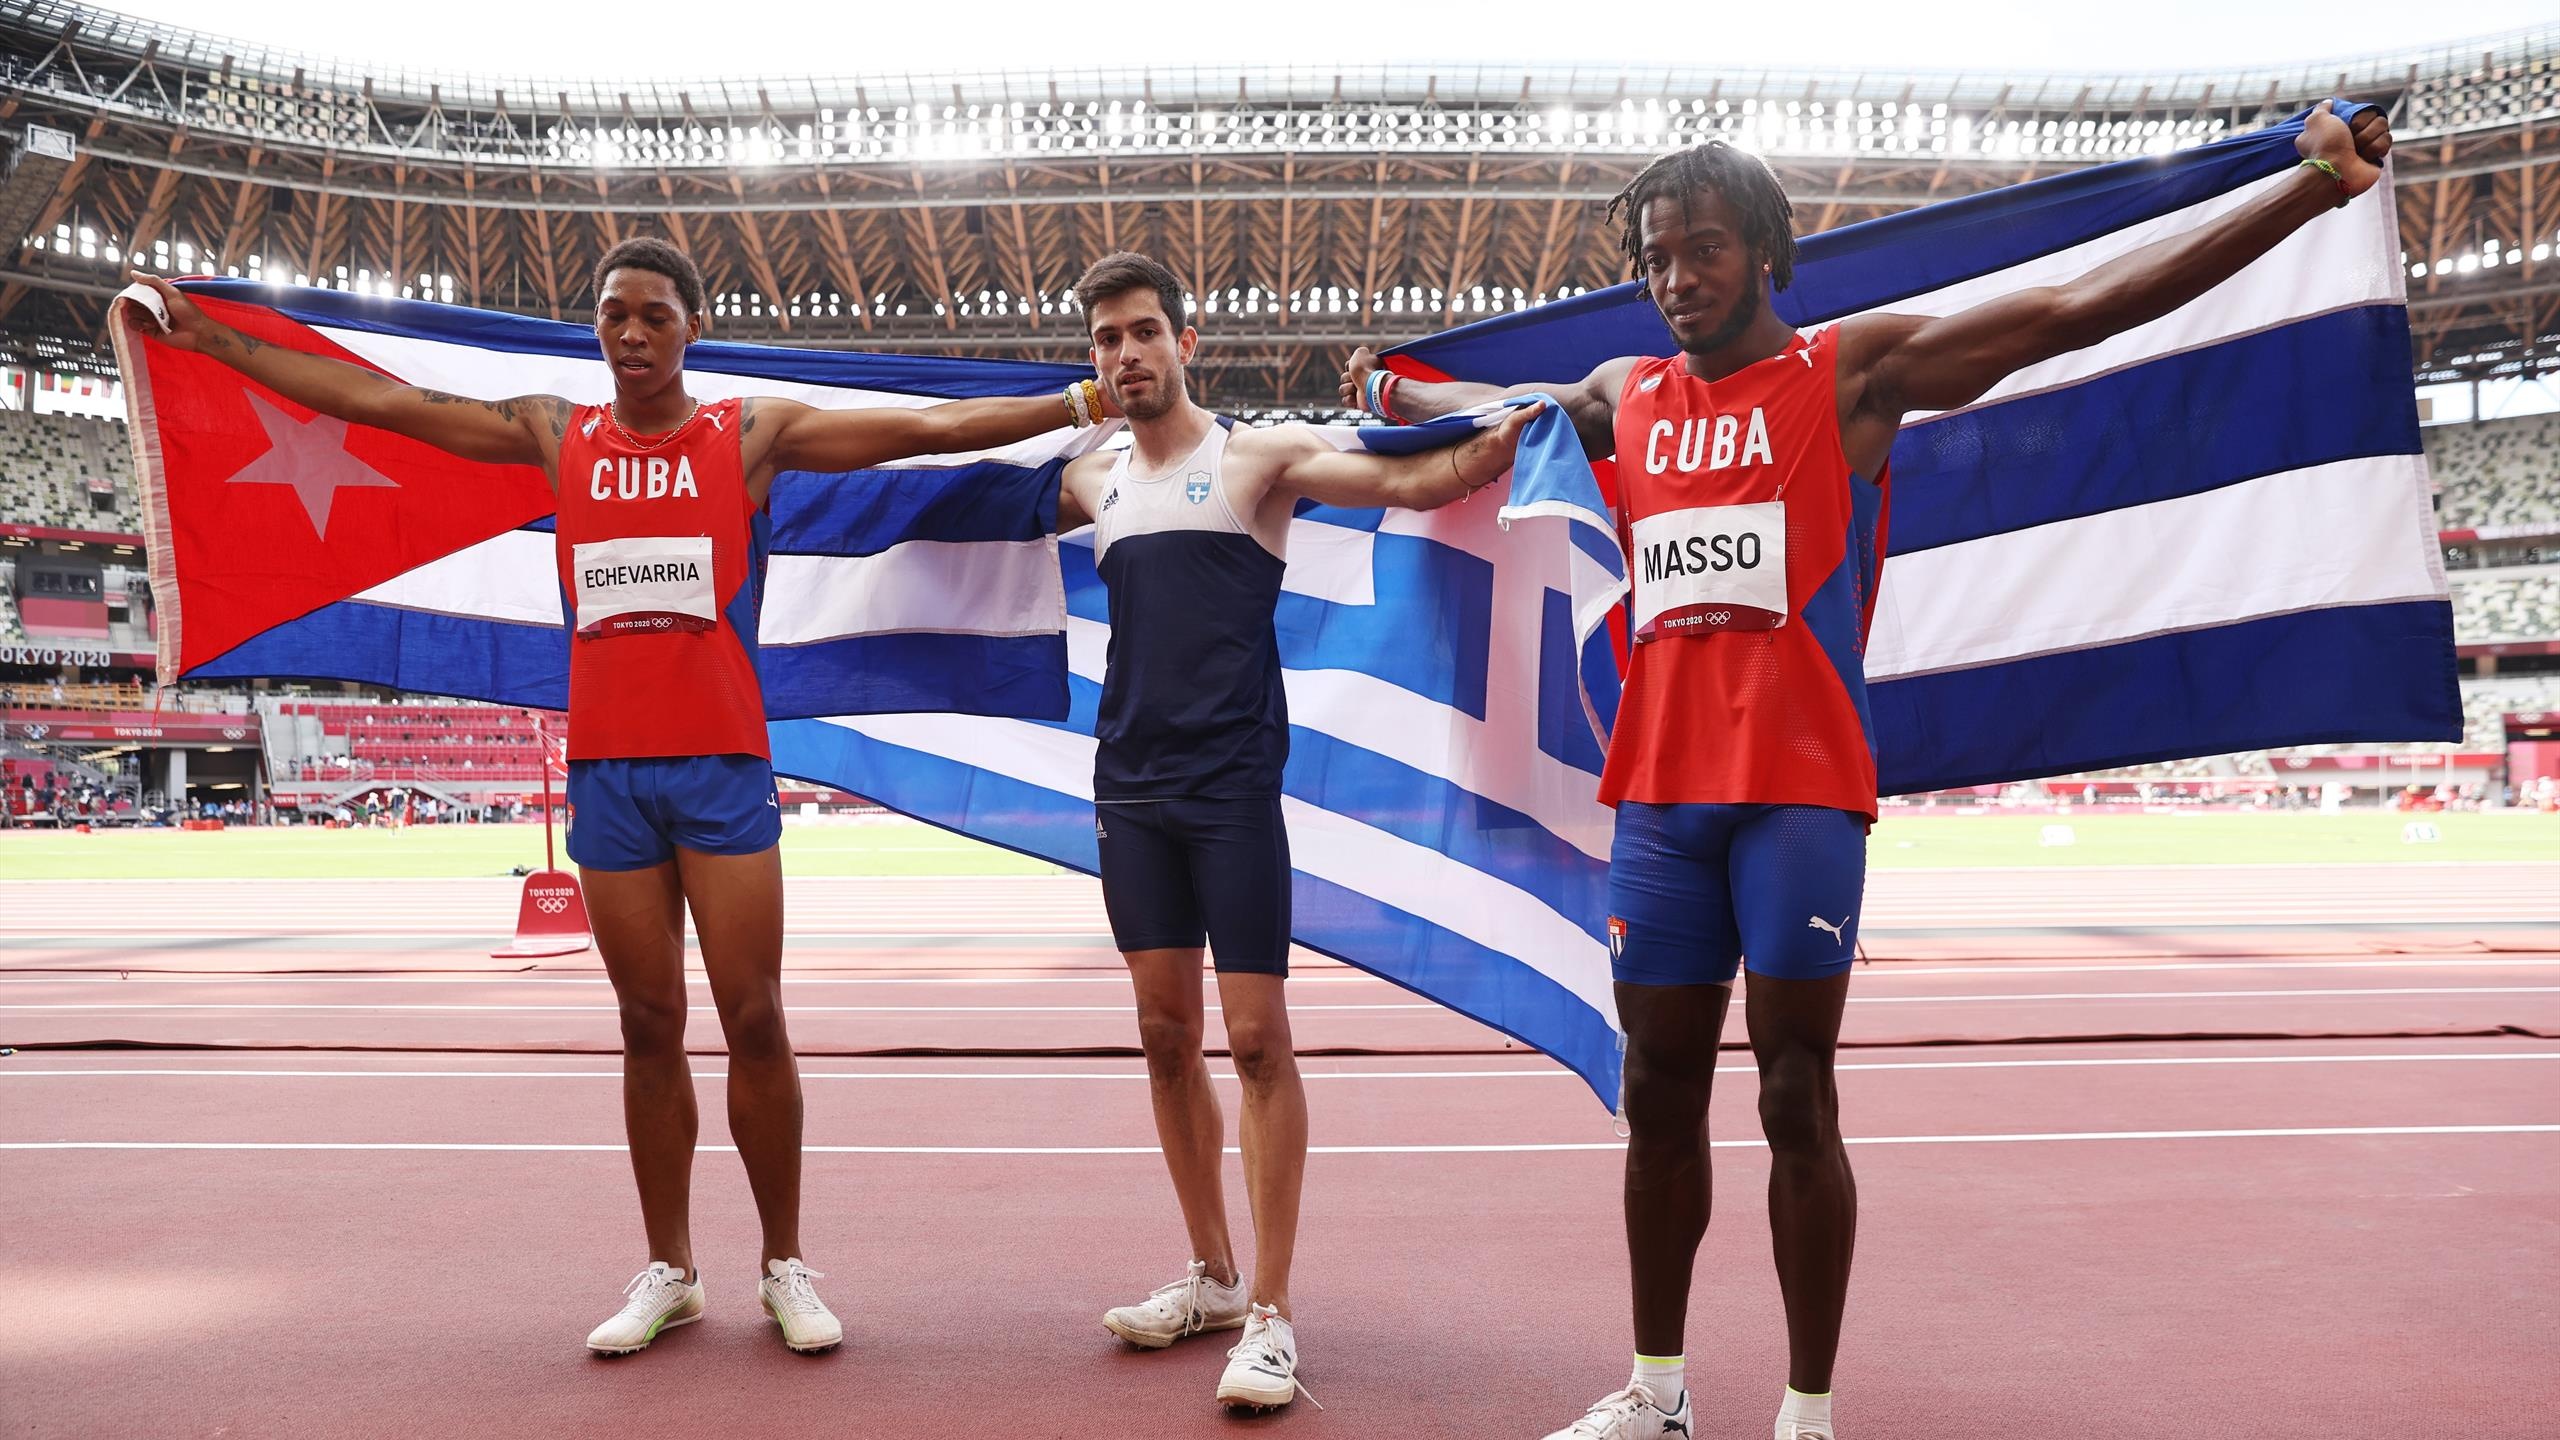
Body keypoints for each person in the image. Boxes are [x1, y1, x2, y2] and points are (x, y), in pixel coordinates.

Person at [1342, 101, 2392, 1440]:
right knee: (1659, 1093)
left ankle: (1807, 1407)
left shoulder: (1851, 376)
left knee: (1793, 1091)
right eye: (1656, 258)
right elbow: (1504, 416)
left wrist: (2304, 191)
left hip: (1798, 796)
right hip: (1659, 799)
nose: (1676, 279)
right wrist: (1393, 389)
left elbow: (2075, 311)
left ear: (1769, 252)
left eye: (1703, 250)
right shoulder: (1626, 394)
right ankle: (1655, 1392)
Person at [123, 235, 1116, 1358]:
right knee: (648, 1024)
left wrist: (1074, 398)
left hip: (722, 769)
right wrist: (213, 339)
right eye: (612, 317)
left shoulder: (750, 435)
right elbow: (379, 405)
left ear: (690, 325)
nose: (631, 335)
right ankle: (670, 1268)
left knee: (755, 1019)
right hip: (610, 777)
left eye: (652, 315)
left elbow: (929, 433)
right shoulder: (557, 434)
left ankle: (785, 1264)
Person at [1061, 252, 1540, 1412]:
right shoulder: (1093, 476)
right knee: (1164, 1036)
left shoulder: (1256, 455)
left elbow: (1415, 485)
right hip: (1129, 788)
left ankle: (1271, 1315)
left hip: (1230, 789)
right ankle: (1213, 1277)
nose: (1126, 355)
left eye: (1142, 333)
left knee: (1258, 1040)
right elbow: (951, 482)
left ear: (1186, 340)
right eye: (1106, 341)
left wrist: (1500, 433)